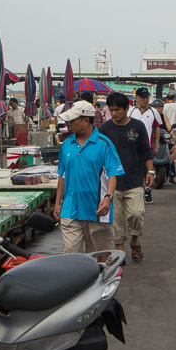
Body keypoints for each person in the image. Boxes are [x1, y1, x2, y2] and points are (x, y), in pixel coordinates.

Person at [53, 101, 124, 253]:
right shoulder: (67, 144)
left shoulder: (104, 144)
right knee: (71, 254)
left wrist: (108, 198)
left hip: (97, 210)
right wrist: (58, 203)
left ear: (86, 120)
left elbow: (112, 174)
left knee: (100, 257)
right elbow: (62, 175)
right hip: (71, 209)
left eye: (72, 120)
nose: (69, 123)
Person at [99, 93, 154, 262]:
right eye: (111, 110)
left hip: (134, 179)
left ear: (126, 109)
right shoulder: (104, 129)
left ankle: (135, 239)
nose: (114, 113)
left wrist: (150, 171)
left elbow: (146, 149)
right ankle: (119, 251)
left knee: (136, 214)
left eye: (117, 110)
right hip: (111, 183)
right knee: (116, 220)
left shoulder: (137, 126)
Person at [151, 99, 176, 184]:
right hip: (151, 142)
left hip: (163, 141)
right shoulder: (149, 116)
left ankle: (170, 171)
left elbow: (169, 127)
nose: (157, 109)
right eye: (155, 107)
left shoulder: (164, 117)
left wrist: (171, 133)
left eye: (159, 108)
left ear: (162, 108)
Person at [128, 88, 162, 156]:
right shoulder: (130, 112)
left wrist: (157, 146)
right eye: (143, 97)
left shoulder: (154, 112)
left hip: (147, 148)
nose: (145, 100)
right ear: (137, 98)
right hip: (132, 148)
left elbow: (156, 129)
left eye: (147, 97)